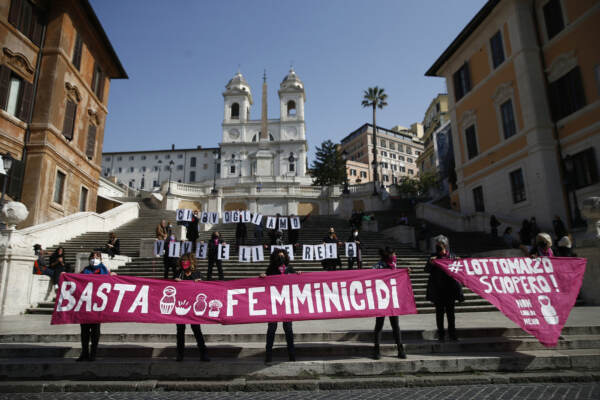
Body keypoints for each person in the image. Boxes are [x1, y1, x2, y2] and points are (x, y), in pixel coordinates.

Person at [260, 248, 300, 363]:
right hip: (274, 303)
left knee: (288, 330)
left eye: (283, 256)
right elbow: (264, 279)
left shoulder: (290, 268)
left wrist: (298, 274)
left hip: (286, 303)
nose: (281, 258)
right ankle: (268, 355)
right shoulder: (271, 269)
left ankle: (292, 355)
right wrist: (263, 276)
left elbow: (297, 282)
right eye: (279, 257)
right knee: (271, 329)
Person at [425, 235, 464, 342]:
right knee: (439, 314)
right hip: (438, 290)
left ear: (445, 246)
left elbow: (460, 270)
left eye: (440, 246)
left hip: (450, 290)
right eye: (437, 246)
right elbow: (427, 270)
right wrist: (431, 263)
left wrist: (459, 262)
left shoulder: (452, 256)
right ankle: (441, 334)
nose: (438, 249)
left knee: (451, 314)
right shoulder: (433, 257)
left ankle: (452, 334)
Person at [78, 252, 115, 361]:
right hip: (85, 305)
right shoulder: (84, 271)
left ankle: (93, 353)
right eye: (93, 257)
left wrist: (113, 276)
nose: (94, 259)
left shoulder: (105, 271)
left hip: (98, 306)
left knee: (95, 331)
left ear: (101, 259)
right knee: (84, 331)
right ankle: (84, 352)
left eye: (97, 257)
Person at [372, 247, 407, 359]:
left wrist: (404, 273)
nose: (395, 256)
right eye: (394, 254)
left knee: (395, 325)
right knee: (379, 325)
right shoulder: (379, 266)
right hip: (381, 299)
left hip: (392, 299)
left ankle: (400, 349)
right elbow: (369, 276)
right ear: (389, 255)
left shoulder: (394, 265)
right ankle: (376, 349)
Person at [174, 253, 209, 362]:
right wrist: (175, 282)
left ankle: (203, 354)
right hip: (181, 306)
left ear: (191, 262)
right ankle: (180, 354)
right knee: (180, 331)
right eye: (182, 261)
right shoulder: (179, 273)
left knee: (197, 330)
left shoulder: (197, 273)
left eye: (186, 261)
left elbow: (207, 288)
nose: (184, 263)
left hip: (194, 307)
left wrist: (200, 283)